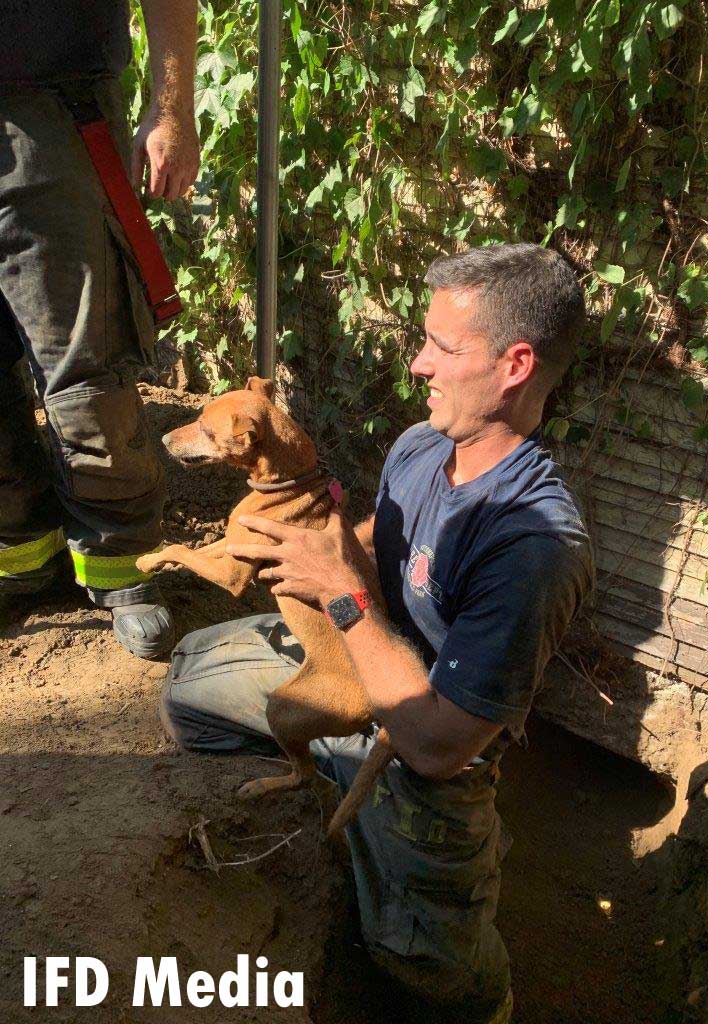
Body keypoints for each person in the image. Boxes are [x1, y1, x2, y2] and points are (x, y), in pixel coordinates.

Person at [160, 243, 594, 1023]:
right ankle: (331, 750)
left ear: (516, 364)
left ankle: (469, 921)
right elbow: (372, 542)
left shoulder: (533, 546)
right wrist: (312, 553)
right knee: (189, 682)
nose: (420, 364)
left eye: (443, 348)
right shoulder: (424, 444)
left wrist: (346, 594)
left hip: (428, 738)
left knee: (424, 970)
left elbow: (438, 743)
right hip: (362, 654)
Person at [0, 0, 199, 657]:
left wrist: (172, 107)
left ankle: (119, 566)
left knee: (83, 351)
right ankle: (18, 549)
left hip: (52, 109)